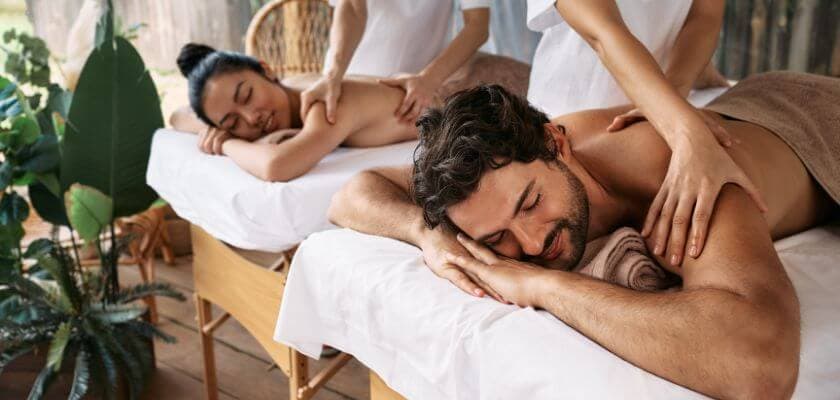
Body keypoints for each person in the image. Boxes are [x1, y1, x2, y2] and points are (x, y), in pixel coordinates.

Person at [328, 72, 840, 398]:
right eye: (496, 237)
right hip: (750, 96)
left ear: (557, 143)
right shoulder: (488, 178)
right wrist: (427, 235)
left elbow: (760, 366)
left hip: (818, 116)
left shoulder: (675, 173)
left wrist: (546, 288)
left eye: (530, 203)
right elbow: (352, 192)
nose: (529, 245)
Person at [527, 0, 764, 270]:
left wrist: (671, 103)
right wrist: (686, 133)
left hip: (660, 110)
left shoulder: (664, 121)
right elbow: (603, 32)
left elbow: (704, 16)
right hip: (573, 115)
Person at [302, 0, 492, 125]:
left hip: (412, 94)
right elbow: (352, 6)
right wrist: (333, 76)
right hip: (345, 80)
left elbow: (477, 25)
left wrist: (428, 80)